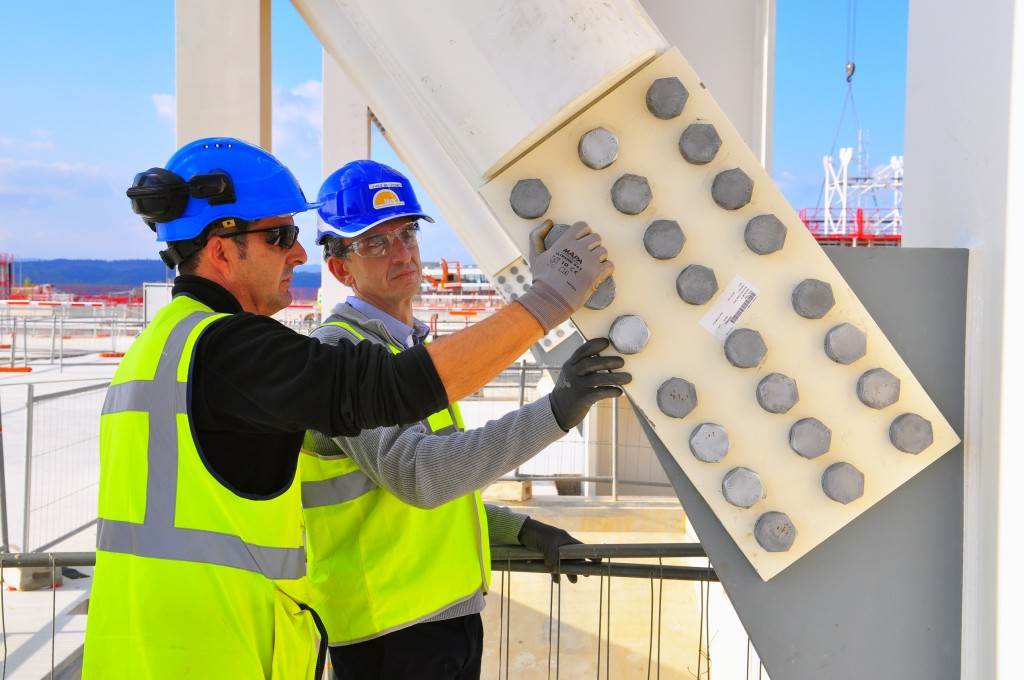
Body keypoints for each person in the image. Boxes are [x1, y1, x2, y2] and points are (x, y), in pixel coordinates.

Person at [82, 138, 613, 679]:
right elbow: (405, 423)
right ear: (221, 251)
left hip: (147, 649)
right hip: (230, 650)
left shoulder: (161, 349)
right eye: (280, 236)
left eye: (408, 234)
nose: (297, 254)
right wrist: (550, 302)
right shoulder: (234, 351)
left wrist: (511, 528)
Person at [284, 160, 630, 679]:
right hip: (389, 636)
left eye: (407, 233)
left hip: (443, 622)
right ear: (340, 269)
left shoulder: (407, 352)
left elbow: (419, 505)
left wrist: (519, 529)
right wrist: (556, 412)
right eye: (375, 243)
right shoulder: (341, 354)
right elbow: (421, 475)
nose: (401, 253)